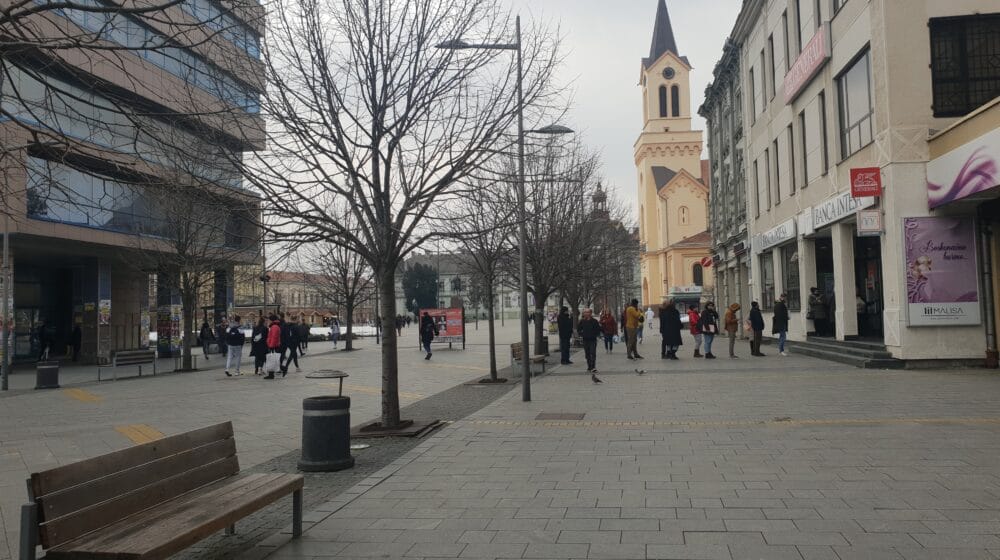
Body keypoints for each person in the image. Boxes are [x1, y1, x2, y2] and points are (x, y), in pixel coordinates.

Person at [577, 308, 602, 374]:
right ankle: (589, 366)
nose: (587, 314)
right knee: (587, 354)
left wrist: (596, 334)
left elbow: (598, 329)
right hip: (585, 339)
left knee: (593, 353)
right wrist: (582, 334)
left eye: (588, 312)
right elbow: (579, 329)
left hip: (592, 339)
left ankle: (593, 367)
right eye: (585, 312)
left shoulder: (594, 321)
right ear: (584, 314)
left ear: (591, 313)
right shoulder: (582, 321)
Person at [264, 314, 283, 379]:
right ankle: (271, 373)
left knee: (272, 359)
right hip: (274, 345)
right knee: (273, 359)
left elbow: (274, 337)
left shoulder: (274, 326)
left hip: (273, 346)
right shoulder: (274, 326)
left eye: (269, 320)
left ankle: (271, 374)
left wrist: (271, 345)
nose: (268, 321)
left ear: (272, 320)